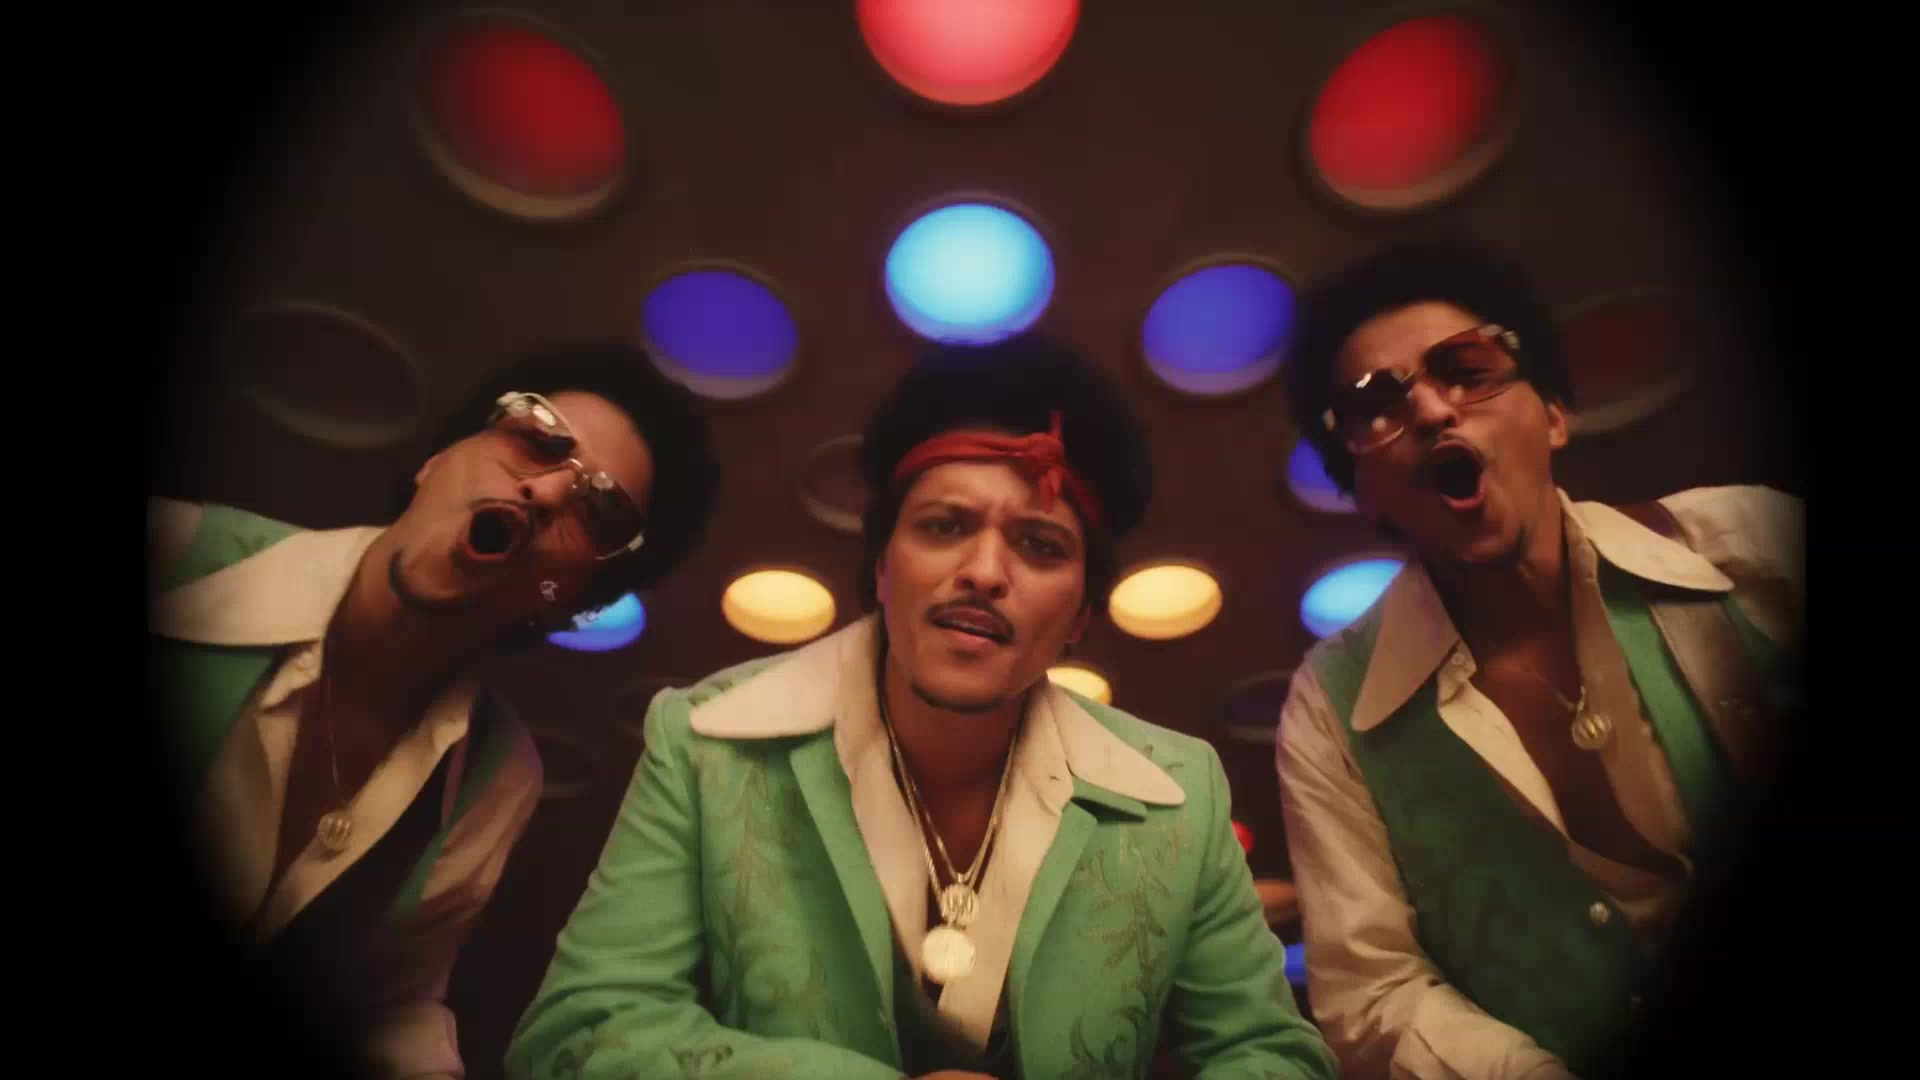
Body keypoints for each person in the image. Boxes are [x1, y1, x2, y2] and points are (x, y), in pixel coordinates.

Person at [507, 334, 1337, 1080]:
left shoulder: (1180, 793)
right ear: (880, 568)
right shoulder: (704, 741)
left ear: (1081, 616)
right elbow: (577, 1034)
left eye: (1040, 545)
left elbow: (1275, 1056)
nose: (984, 571)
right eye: (944, 527)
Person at [1272, 237, 1802, 1079]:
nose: (1432, 411)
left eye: (1467, 369)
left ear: (1554, 414)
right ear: (1363, 489)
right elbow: (1372, 996)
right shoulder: (1328, 709)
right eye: (1378, 403)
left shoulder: (1747, 544)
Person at [149, 342, 720, 1078]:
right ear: (438, 460)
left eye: (600, 513)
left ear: (568, 602)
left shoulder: (498, 779)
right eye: (538, 437)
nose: (547, 492)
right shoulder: (173, 557)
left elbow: (390, 1006)